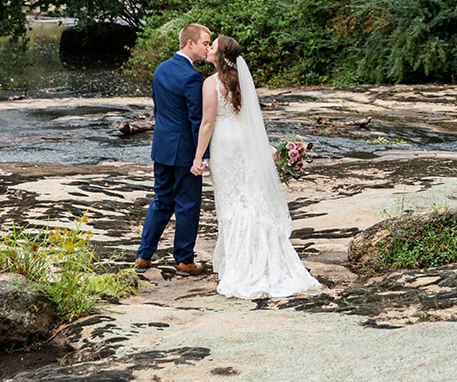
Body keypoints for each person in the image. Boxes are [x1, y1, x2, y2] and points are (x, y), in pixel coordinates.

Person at [191, 34, 321, 298]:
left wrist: (198, 157)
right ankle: (265, 257)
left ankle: (242, 265)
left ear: (220, 55)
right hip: (246, 144)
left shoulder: (211, 83)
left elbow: (207, 123)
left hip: (225, 146)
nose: (208, 49)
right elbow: (254, 121)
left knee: (231, 202)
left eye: (212, 46)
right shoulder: (241, 81)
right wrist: (270, 150)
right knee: (250, 197)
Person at [135, 23, 212, 275]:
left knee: (161, 201)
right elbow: (195, 119)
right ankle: (184, 260)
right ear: (190, 43)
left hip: (162, 147)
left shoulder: (161, 69)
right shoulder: (192, 77)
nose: (207, 48)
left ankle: (143, 256)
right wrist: (202, 156)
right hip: (184, 151)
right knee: (187, 204)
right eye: (204, 43)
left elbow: (160, 110)